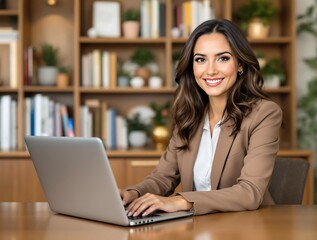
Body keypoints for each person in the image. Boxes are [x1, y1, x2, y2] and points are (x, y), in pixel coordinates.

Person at [120, 19, 283, 217]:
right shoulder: (189, 116)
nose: (211, 70)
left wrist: (182, 201)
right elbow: (163, 177)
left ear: (240, 64)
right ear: (192, 67)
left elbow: (250, 192)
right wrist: (133, 193)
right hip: (196, 228)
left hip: (245, 228)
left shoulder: (264, 113)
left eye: (223, 58)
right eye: (200, 59)